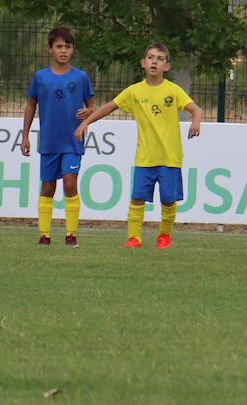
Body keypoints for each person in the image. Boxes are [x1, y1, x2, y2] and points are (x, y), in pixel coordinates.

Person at [73, 43, 203, 249]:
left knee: (168, 201)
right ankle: (134, 238)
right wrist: (85, 123)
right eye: (151, 57)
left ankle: (164, 237)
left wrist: (196, 121)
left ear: (166, 67)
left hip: (170, 157)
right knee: (137, 198)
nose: (154, 61)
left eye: (160, 59)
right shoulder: (135, 91)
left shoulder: (173, 90)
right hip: (145, 157)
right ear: (143, 63)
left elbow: (195, 109)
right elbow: (108, 107)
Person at [20, 26, 94, 246]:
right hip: (49, 142)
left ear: (72, 50)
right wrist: (25, 136)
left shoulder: (81, 77)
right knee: (47, 187)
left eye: (67, 47)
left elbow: (92, 106)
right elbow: (31, 105)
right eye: (59, 46)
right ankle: (45, 235)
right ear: (50, 49)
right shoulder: (40, 77)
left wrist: (88, 113)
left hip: (72, 141)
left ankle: (71, 234)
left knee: (70, 185)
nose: (63, 51)